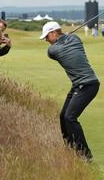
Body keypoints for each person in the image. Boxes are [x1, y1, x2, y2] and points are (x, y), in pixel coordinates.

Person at [39, 21, 100, 161]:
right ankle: (69, 146)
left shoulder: (53, 51)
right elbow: (68, 39)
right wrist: (66, 36)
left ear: (54, 33)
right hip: (79, 84)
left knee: (70, 117)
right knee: (63, 116)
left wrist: (65, 36)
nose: (46, 40)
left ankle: (85, 155)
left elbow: (58, 46)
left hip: (87, 85)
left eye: (47, 37)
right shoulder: (76, 39)